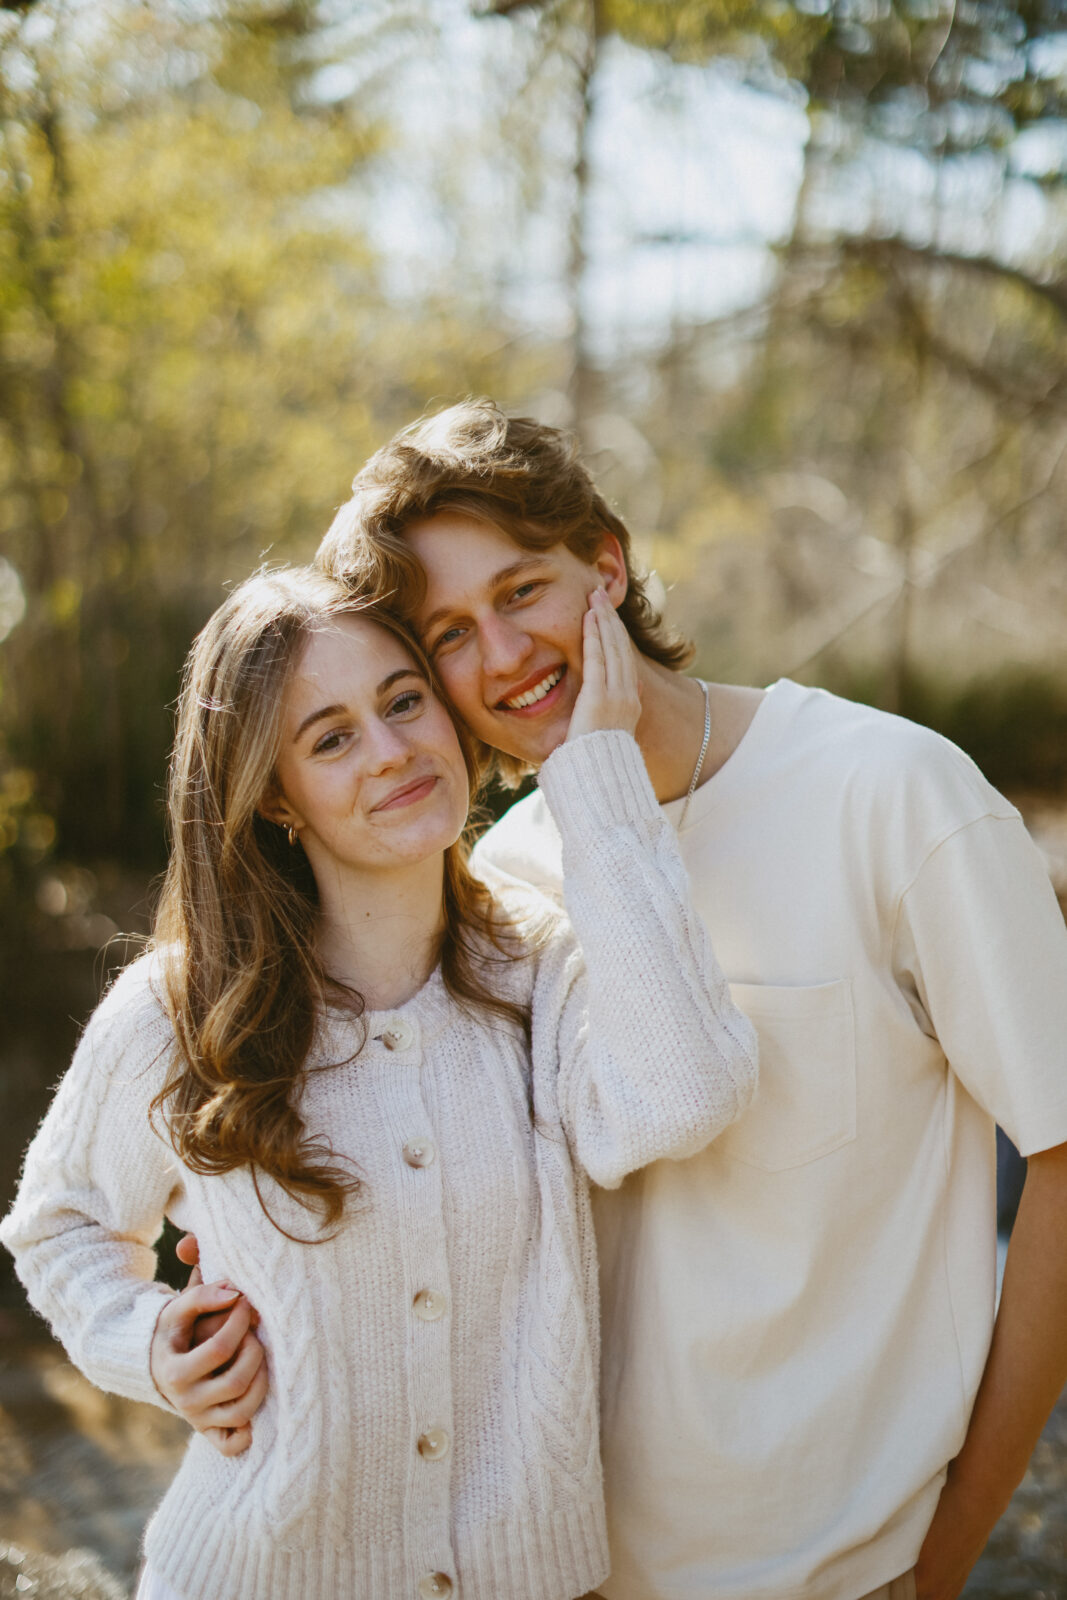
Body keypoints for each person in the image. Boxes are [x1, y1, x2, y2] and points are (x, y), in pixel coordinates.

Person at [308, 400, 1067, 1600]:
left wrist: (952, 1541)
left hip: (843, 1576)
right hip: (564, 1573)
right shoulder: (501, 886)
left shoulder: (892, 796)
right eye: (448, 633)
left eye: (520, 592)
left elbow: (1062, 1154)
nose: (501, 656)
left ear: (604, 565)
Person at [1, 566, 758, 1600]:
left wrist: (595, 768)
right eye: (330, 736)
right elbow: (60, 1221)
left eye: (404, 701)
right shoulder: (180, 1010)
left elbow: (685, 1095)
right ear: (274, 794)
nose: (393, 750)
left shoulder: (543, 965)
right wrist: (148, 1344)